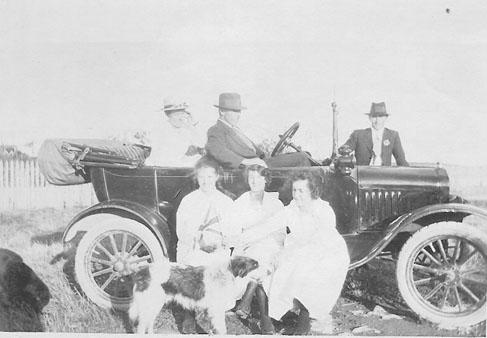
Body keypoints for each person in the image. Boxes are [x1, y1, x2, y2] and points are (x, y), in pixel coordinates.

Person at [237, 171, 350, 335]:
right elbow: (268, 225)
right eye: (294, 190)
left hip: (328, 252)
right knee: (274, 263)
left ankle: (304, 321)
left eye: (301, 191)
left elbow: (318, 241)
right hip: (300, 249)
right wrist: (239, 238)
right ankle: (268, 312)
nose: (297, 195)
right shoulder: (292, 209)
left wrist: (287, 253)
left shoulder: (323, 210)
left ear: (312, 191)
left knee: (306, 271)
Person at [175, 157, 234, 333]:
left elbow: (232, 231)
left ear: (216, 177)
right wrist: (198, 241)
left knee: (218, 270)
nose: (206, 181)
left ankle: (215, 317)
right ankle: (189, 313)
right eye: (202, 177)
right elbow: (182, 231)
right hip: (194, 246)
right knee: (193, 266)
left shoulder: (226, 202)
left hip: (217, 249)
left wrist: (221, 242)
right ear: (197, 178)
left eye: (210, 177)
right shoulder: (188, 200)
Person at [228, 165, 284, 333]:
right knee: (260, 258)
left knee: (264, 254)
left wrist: (260, 235)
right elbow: (235, 231)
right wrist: (253, 236)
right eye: (251, 177)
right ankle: (266, 321)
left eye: (258, 177)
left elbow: (281, 234)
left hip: (271, 247)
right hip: (248, 248)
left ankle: (248, 297)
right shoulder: (241, 202)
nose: (254, 181)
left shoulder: (275, 202)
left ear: (266, 180)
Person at [205, 93, 311, 169]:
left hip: (263, 163)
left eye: (239, 111)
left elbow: (258, 153)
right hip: (253, 170)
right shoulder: (216, 130)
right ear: (222, 111)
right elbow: (217, 151)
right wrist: (246, 162)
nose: (238, 115)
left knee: (305, 154)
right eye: (234, 111)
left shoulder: (235, 130)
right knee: (301, 157)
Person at [339, 102, 408, 166]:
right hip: (362, 175)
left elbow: (401, 160)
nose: (377, 121)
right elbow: (344, 150)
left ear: (386, 118)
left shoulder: (393, 135)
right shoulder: (358, 135)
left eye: (380, 117)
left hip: (385, 176)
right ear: (370, 118)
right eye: (374, 117)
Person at [145, 98, 205, 167]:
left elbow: (202, 146)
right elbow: (161, 158)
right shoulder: (162, 131)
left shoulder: (185, 130)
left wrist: (191, 127)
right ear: (168, 115)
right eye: (177, 114)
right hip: (164, 168)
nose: (181, 117)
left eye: (182, 113)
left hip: (182, 167)